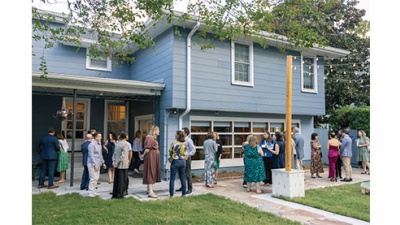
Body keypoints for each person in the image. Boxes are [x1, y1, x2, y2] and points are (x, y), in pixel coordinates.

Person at [142, 125, 161, 198]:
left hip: (152, 157)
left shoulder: (150, 137)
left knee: (150, 172)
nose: (159, 131)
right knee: (150, 172)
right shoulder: (150, 138)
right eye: (158, 130)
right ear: (154, 130)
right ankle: (150, 192)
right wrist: (143, 155)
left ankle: (149, 190)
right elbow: (147, 149)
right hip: (151, 158)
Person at [176, 127, 196, 194]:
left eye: (182, 131)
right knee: (181, 173)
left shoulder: (189, 141)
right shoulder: (180, 140)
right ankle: (183, 186)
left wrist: (188, 155)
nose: (181, 132)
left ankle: (190, 188)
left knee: (188, 173)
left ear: (186, 133)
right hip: (181, 158)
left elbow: (193, 149)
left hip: (186, 158)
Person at [111, 132, 130, 199]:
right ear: (125, 136)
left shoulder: (117, 143)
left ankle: (115, 193)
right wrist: (118, 162)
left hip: (117, 163)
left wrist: (114, 161)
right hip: (122, 164)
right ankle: (120, 194)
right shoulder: (125, 144)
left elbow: (114, 153)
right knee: (122, 180)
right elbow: (123, 155)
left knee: (117, 179)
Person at [168, 130, 187, 197]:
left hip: (175, 161)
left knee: (172, 178)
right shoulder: (185, 144)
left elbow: (170, 153)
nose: (174, 135)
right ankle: (184, 193)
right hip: (183, 161)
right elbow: (185, 151)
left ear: (178, 136)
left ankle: (171, 194)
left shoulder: (173, 144)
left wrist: (172, 154)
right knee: (183, 178)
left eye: (175, 134)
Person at [87, 132, 107, 197]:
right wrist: (95, 164)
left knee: (97, 177)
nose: (100, 138)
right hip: (91, 163)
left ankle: (94, 190)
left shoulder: (99, 144)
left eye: (101, 136)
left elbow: (100, 154)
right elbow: (91, 155)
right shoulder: (91, 145)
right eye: (99, 136)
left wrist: (103, 163)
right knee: (93, 178)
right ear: (95, 137)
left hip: (98, 162)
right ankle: (90, 192)